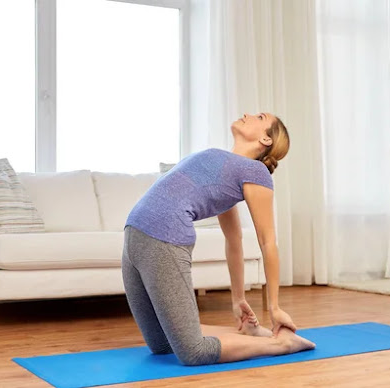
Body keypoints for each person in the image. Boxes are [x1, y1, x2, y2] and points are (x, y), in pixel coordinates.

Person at [122, 112, 315, 366]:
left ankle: (280, 343)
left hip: (164, 238)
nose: (247, 114)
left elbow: (268, 242)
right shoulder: (224, 164)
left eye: (259, 116)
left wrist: (275, 308)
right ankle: (244, 334)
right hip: (134, 237)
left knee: (193, 353)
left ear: (266, 139)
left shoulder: (255, 172)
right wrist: (238, 301)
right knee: (161, 344)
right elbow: (232, 240)